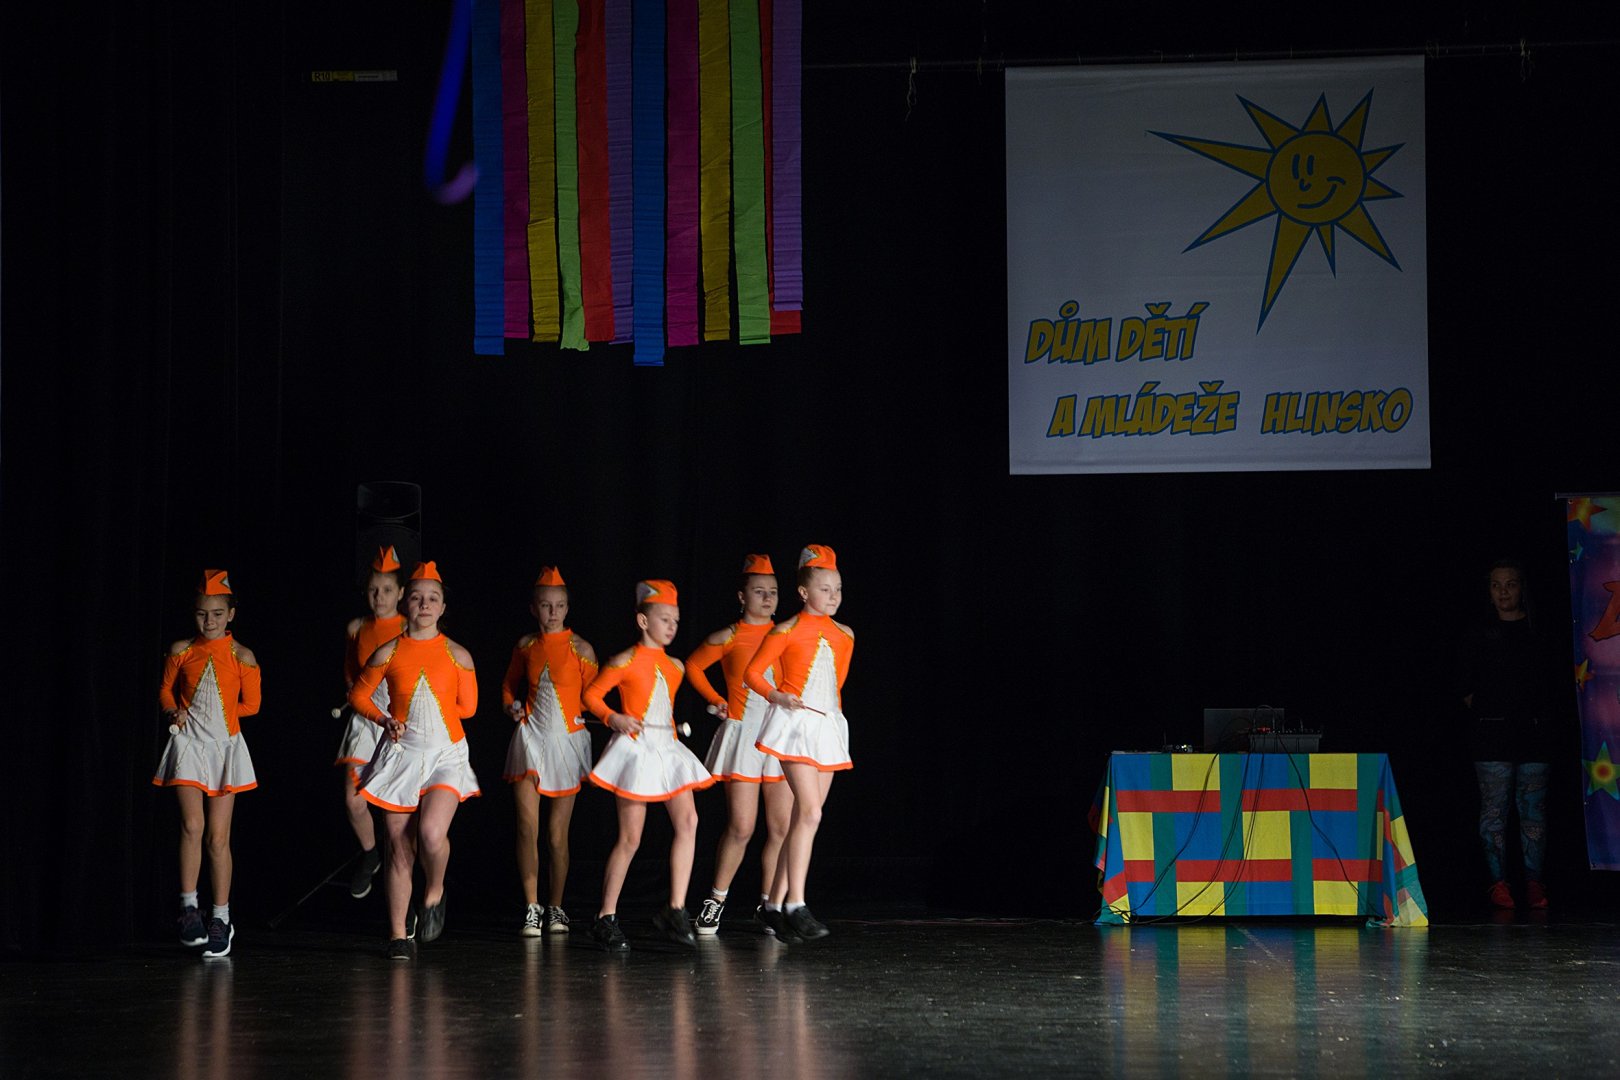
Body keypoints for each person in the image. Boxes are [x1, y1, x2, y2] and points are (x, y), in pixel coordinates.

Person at [349, 561, 480, 959]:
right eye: (418, 597)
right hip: (401, 755)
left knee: (431, 833)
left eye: (433, 599)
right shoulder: (388, 651)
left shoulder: (459, 655)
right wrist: (384, 719)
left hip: (445, 755)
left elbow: (469, 708)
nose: (425, 605)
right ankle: (397, 935)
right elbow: (359, 695)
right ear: (406, 602)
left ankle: (434, 892)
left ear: (442, 607)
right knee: (399, 844)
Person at [583, 579, 715, 950]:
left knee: (689, 821)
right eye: (664, 619)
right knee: (631, 838)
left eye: (676, 620)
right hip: (636, 752)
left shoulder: (676, 666)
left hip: (668, 749)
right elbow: (591, 695)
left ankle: (675, 909)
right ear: (643, 621)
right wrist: (613, 718)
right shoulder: (624, 660)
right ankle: (605, 917)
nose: (672, 626)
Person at [152, 569, 262, 960]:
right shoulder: (181, 650)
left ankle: (221, 917)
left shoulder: (242, 656)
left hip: (224, 749)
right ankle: (188, 908)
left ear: (230, 614)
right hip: (188, 746)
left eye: (217, 613)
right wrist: (174, 711)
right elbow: (165, 691)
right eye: (202, 613)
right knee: (192, 825)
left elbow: (252, 705)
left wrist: (221, 718)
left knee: (217, 838)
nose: (209, 621)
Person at [748, 545, 853, 944]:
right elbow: (753, 674)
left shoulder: (845, 635)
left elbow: (837, 683)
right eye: (825, 589)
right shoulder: (785, 631)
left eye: (838, 589)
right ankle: (796, 903)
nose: (833, 596)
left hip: (826, 726)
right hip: (794, 725)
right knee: (809, 812)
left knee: (804, 819)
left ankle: (773, 905)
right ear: (804, 592)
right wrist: (777, 695)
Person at [685, 554, 792, 936]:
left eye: (773, 592)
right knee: (742, 826)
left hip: (780, 736)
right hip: (745, 735)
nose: (767, 598)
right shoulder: (729, 636)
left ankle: (770, 905)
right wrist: (716, 699)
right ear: (742, 597)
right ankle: (715, 900)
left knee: (782, 827)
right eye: (759, 591)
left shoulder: (786, 633)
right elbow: (693, 666)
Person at [501, 565, 599, 937]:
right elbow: (508, 687)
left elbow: (593, 696)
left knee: (557, 835)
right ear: (534, 608)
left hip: (567, 743)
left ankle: (556, 907)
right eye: (545, 605)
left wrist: (597, 712)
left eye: (559, 605)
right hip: (529, 739)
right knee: (527, 827)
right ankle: (532, 907)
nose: (553, 612)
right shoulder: (526, 646)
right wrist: (510, 706)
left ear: (567, 608)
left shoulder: (581, 649)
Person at [1459, 558, 1561, 910]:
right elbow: (1464, 686)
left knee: (1533, 811)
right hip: (1492, 736)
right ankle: (1498, 883)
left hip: (1535, 734)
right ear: (1489, 592)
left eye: (1511, 584)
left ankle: (1533, 881)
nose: (1503, 592)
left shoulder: (1539, 631)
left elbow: (1552, 683)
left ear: (1522, 588)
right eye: (1496, 585)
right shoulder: (1478, 634)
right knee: (1494, 811)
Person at [333, 546, 405, 900]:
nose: (380, 597)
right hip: (365, 718)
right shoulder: (356, 628)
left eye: (387, 590)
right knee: (353, 800)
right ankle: (370, 853)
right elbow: (350, 671)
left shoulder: (410, 627)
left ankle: (404, 878)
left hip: (401, 721)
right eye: (374, 590)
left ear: (401, 593)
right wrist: (352, 687)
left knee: (397, 810)